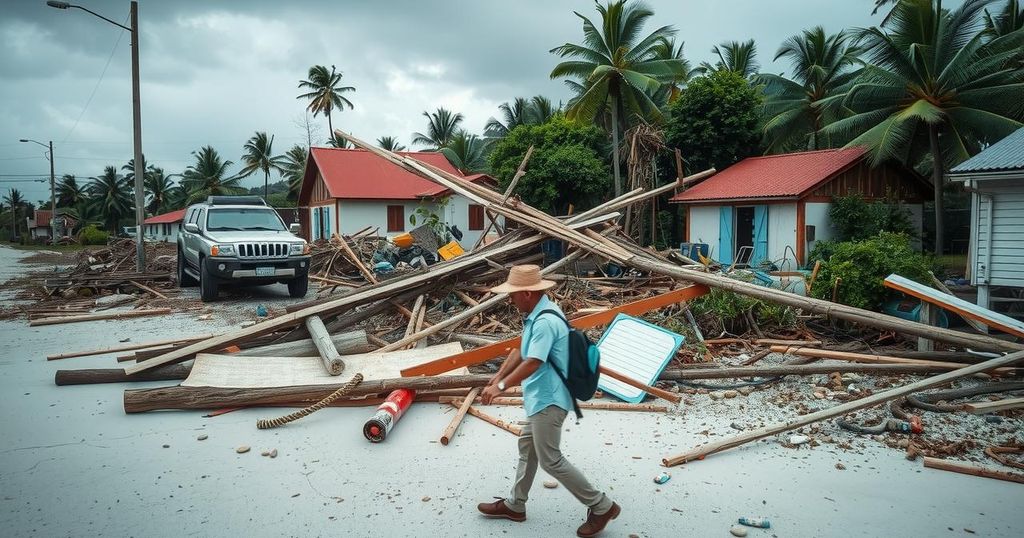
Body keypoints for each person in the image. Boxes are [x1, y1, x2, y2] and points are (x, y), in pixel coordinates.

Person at [476, 265, 620, 538]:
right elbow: (520, 348)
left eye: (513, 294)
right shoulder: (537, 313)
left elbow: (534, 361)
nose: (510, 299)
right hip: (541, 397)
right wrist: (497, 376)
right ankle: (515, 505)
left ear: (528, 293)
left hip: (549, 399)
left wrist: (502, 387)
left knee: (550, 459)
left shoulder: (545, 321)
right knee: (528, 448)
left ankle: (602, 506)